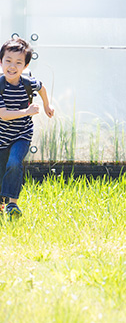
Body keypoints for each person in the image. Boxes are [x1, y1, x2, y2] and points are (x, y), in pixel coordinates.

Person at [0, 38, 55, 218]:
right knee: (2, 168)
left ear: (25, 65)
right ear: (1, 62)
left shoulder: (28, 83)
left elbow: (42, 88)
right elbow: (4, 114)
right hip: (2, 136)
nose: (12, 66)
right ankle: (1, 203)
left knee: (14, 163)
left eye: (18, 62)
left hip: (22, 135)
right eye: (8, 61)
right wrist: (27, 111)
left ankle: (12, 204)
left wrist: (47, 106)